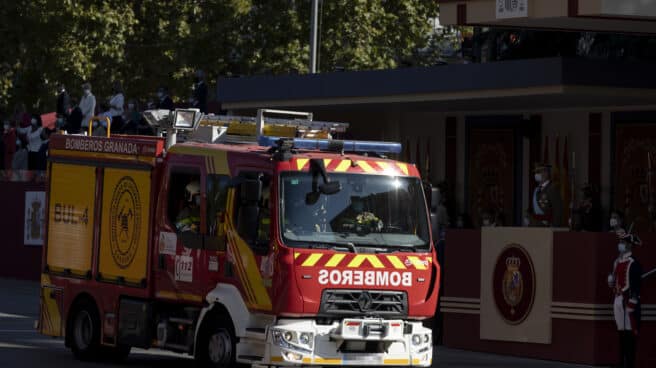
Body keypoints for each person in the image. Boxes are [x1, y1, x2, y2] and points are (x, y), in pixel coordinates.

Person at [607, 232, 642, 368]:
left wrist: (632, 303)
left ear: (628, 245)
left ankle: (630, 363)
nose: (620, 244)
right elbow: (615, 281)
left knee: (629, 333)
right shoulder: (617, 261)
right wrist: (611, 281)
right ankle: (621, 361)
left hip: (628, 301)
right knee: (621, 332)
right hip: (617, 299)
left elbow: (636, 286)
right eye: (620, 242)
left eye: (623, 242)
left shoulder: (634, 263)